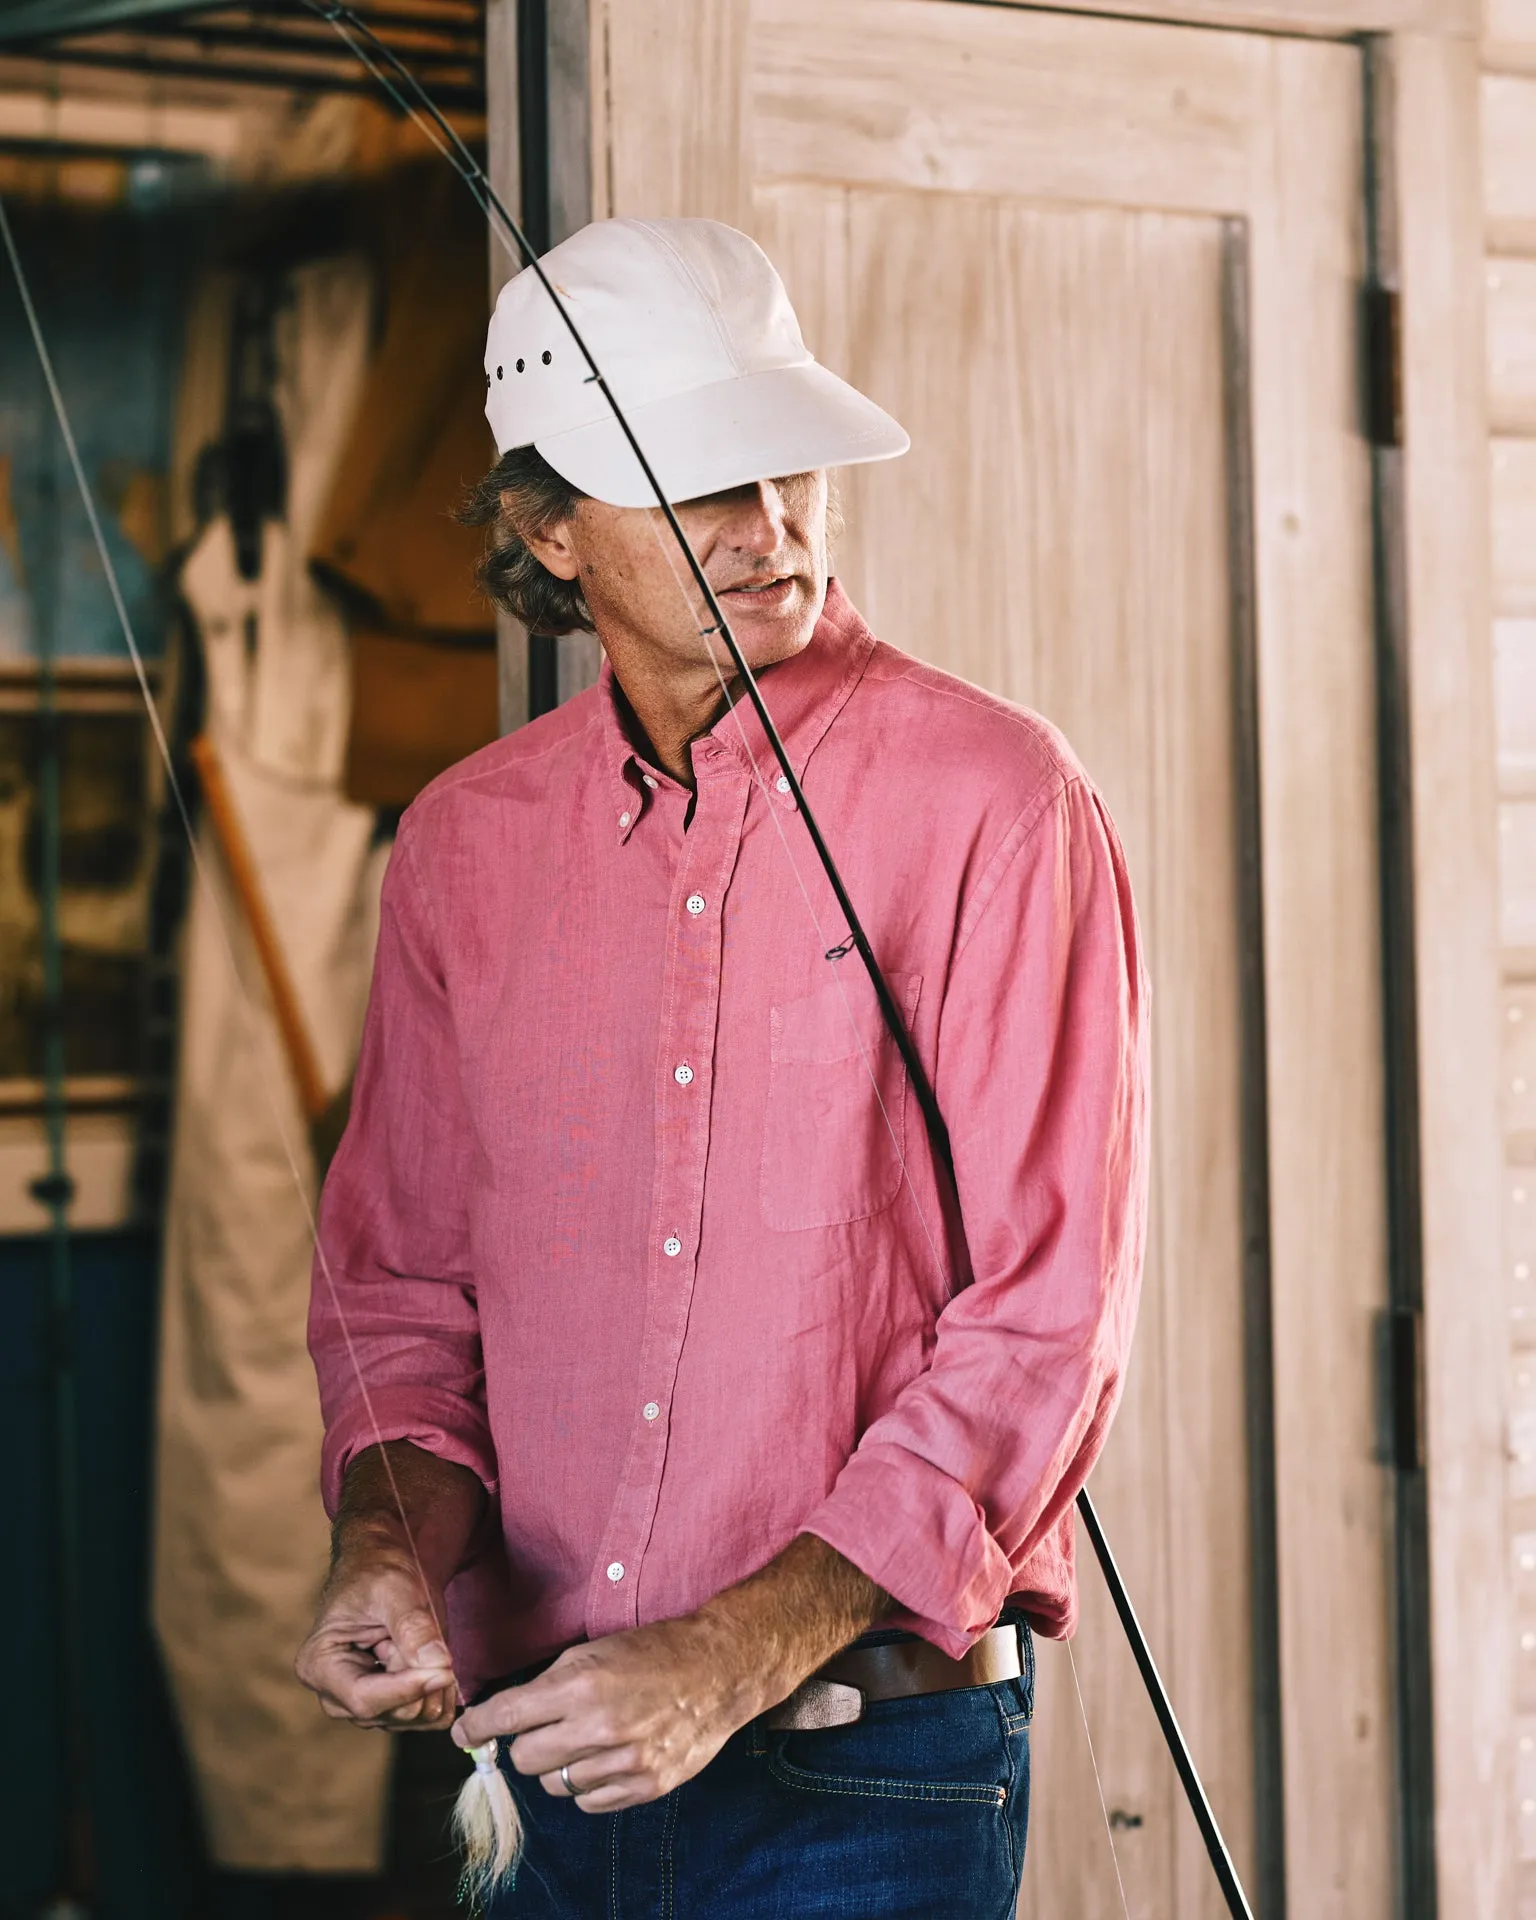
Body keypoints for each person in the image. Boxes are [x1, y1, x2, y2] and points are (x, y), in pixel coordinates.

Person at [296, 215, 1149, 1918]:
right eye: (696, 486)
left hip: (870, 1771)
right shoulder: (462, 847)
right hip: (544, 1771)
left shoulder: (997, 802)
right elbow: (397, 1287)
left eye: (786, 470)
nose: (770, 534)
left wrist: (727, 1655)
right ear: (545, 524)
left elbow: (1048, 1321)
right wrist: (391, 1540)